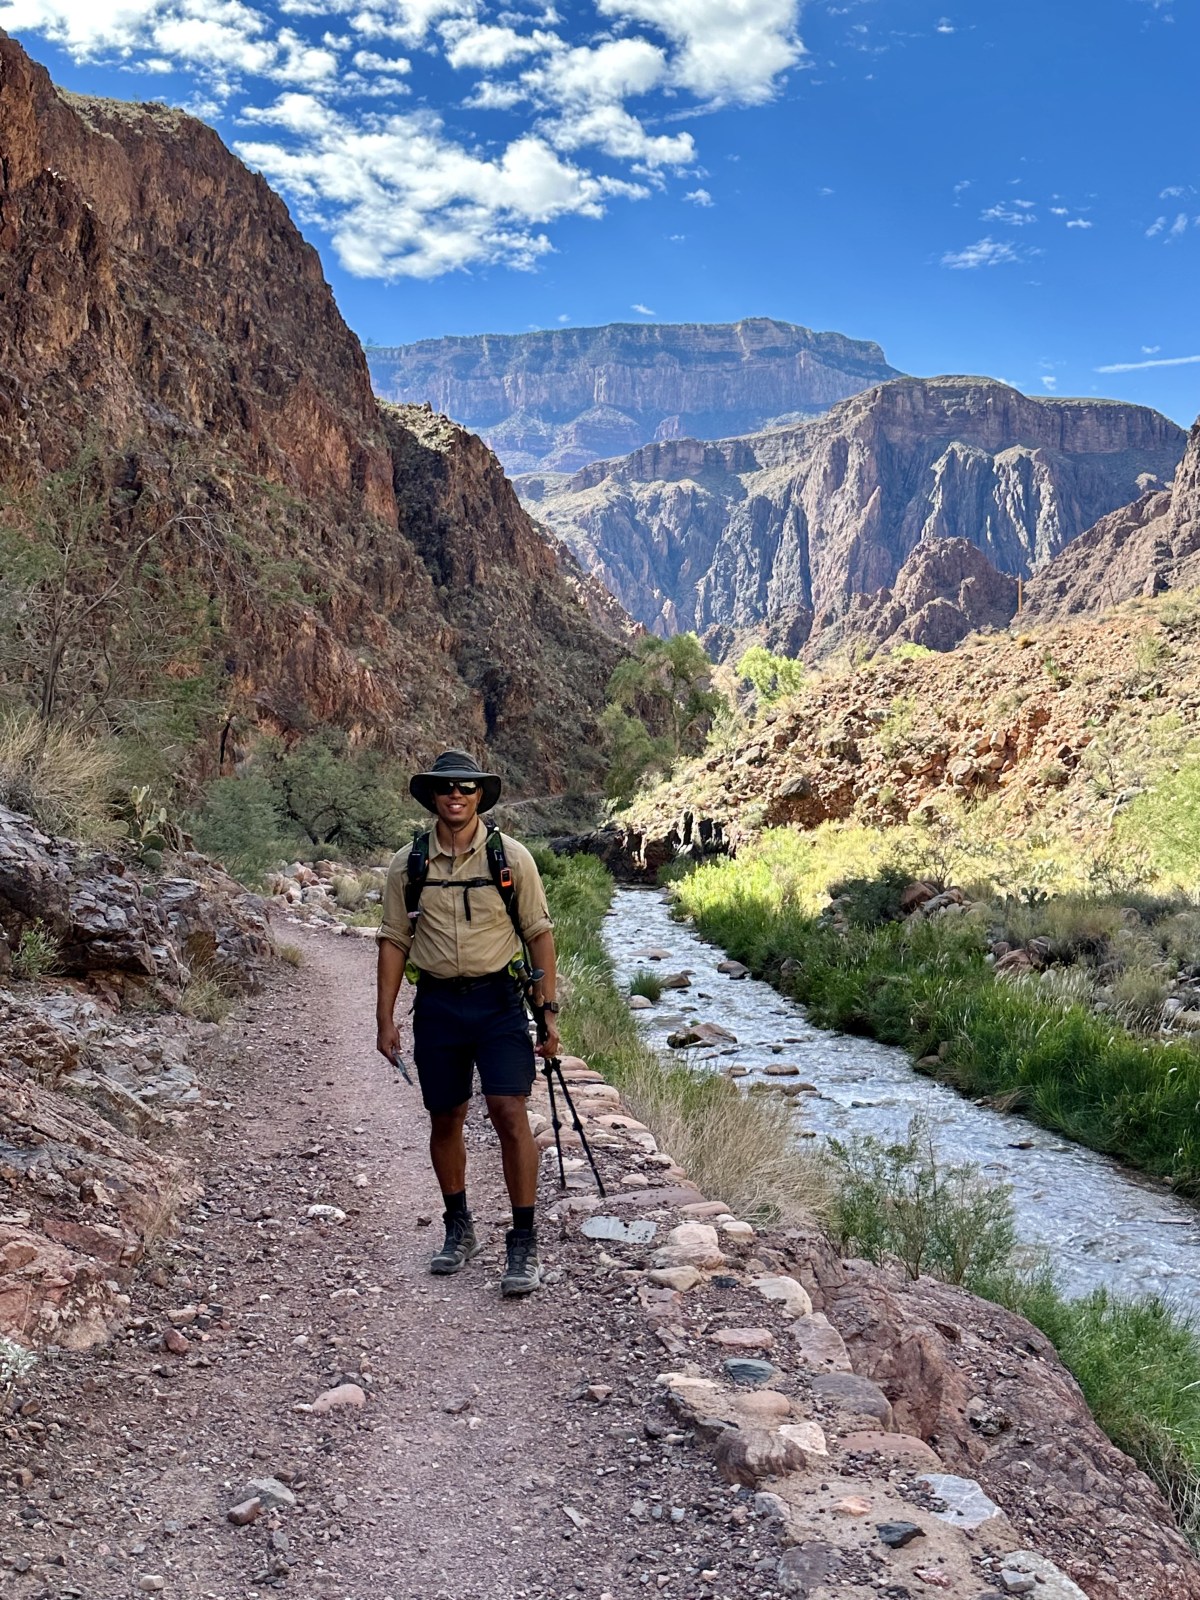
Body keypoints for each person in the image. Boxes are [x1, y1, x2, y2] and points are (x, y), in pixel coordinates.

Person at [375, 750, 560, 1297]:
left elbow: (540, 935)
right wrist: (384, 1018)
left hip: (499, 1001)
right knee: (446, 1116)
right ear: (432, 796)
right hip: (436, 1004)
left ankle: (522, 1241)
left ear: (481, 795)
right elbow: (393, 941)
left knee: (509, 1112)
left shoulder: (512, 858)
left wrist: (547, 1012)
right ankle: (459, 1228)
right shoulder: (407, 864)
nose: (456, 795)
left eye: (467, 788)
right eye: (446, 788)